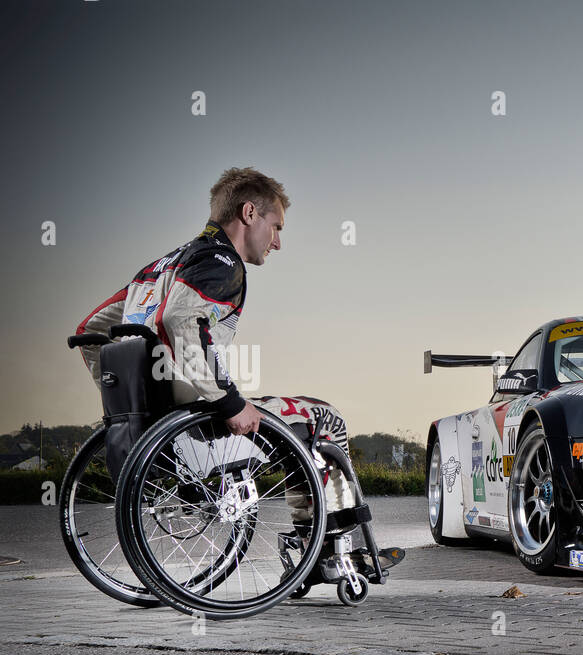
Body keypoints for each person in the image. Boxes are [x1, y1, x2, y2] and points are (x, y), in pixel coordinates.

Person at [75, 167, 402, 567]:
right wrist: (228, 402)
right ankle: (332, 554)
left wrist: (125, 406)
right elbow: (180, 321)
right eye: (276, 226)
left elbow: (90, 330)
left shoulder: (161, 266)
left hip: (157, 420)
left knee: (298, 426)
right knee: (323, 419)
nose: (278, 242)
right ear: (249, 213)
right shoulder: (220, 262)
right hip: (197, 420)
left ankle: (319, 545)